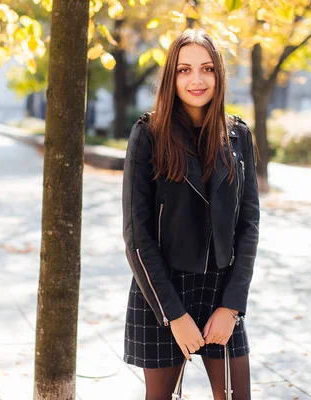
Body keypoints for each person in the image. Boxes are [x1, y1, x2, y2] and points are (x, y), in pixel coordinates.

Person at [122, 29, 260, 399]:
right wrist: (174, 315)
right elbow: (137, 237)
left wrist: (231, 306)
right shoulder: (148, 134)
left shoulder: (238, 135)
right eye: (184, 70)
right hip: (164, 290)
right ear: (172, 76)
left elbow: (249, 226)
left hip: (221, 289)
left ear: (219, 75)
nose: (196, 80)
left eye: (207, 69)